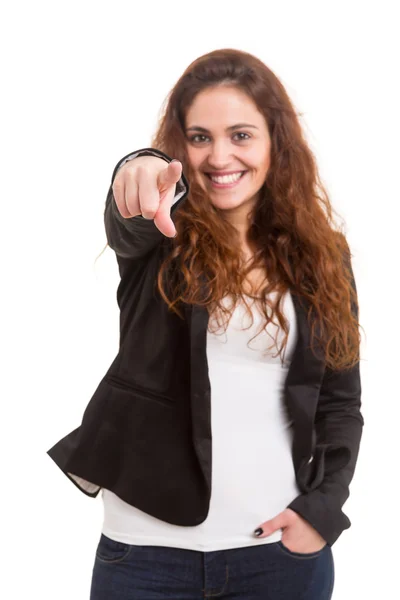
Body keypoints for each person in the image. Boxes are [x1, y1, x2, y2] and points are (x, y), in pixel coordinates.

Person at [46, 48, 364, 599]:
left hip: (278, 559)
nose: (220, 156)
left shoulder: (322, 256)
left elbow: (340, 404)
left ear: (274, 142)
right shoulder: (159, 237)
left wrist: (322, 510)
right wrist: (137, 166)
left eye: (241, 135)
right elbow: (129, 216)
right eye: (199, 138)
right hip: (144, 560)